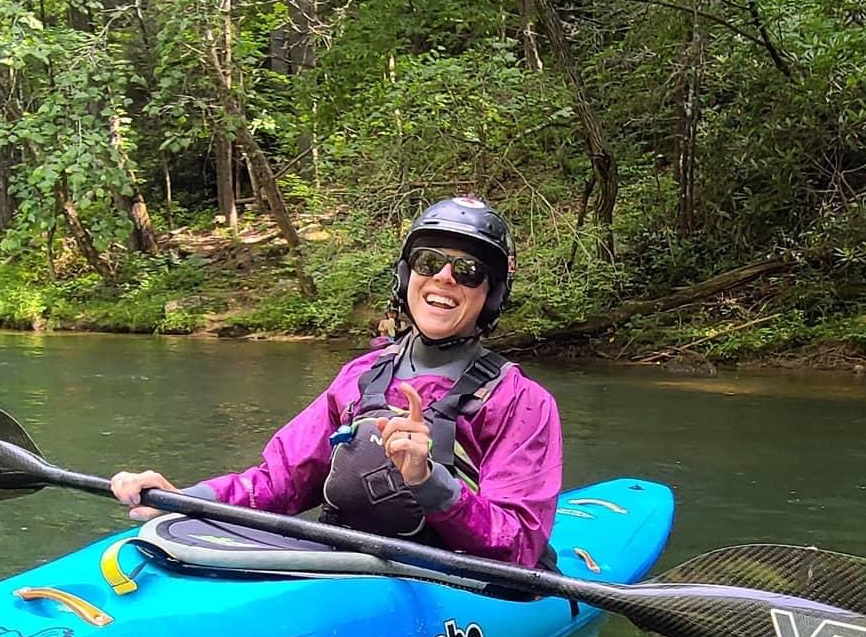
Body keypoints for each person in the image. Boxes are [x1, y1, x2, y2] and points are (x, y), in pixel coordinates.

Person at [109, 196, 562, 568]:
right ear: (407, 276)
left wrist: (429, 482)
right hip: (344, 571)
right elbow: (278, 483)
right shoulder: (360, 376)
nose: (443, 277)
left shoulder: (518, 401)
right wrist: (188, 499)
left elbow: (518, 544)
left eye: (468, 270)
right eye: (428, 262)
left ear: (491, 293)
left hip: (450, 583)